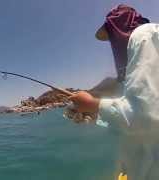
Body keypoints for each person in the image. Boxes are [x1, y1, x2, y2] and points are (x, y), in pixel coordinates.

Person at [68, 4, 159, 180]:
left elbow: (146, 117)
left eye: (111, 35)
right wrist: (95, 113)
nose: (112, 43)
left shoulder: (144, 36)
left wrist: (93, 105)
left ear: (118, 27)